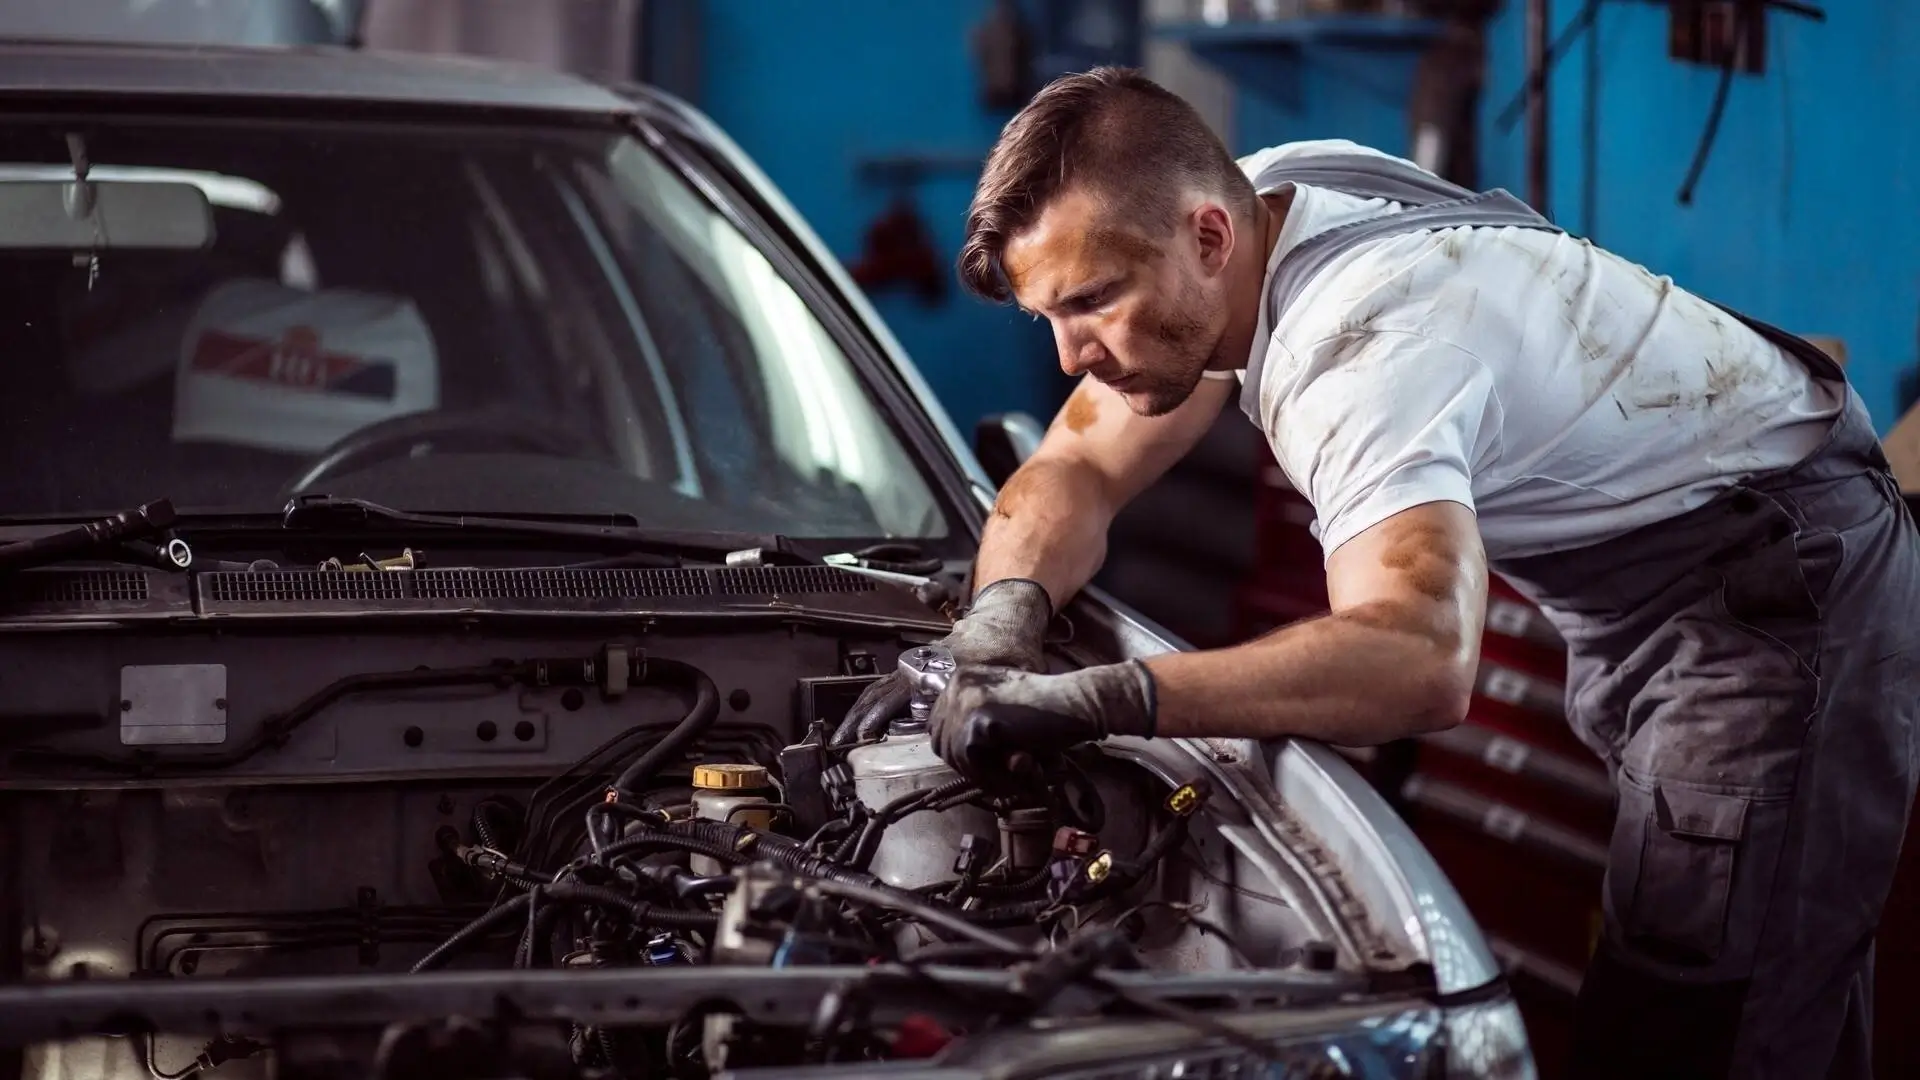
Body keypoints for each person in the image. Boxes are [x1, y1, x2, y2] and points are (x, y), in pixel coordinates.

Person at [841, 67, 1919, 1078]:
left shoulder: (1360, 354)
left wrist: (1107, 697)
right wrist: (1000, 620)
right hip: (1668, 557)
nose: (1072, 355)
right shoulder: (1268, 195)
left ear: (1207, 236)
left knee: (1702, 1012)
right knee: (1786, 976)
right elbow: (1074, 463)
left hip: (1776, 588)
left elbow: (1419, 655)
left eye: (1092, 303)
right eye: (1050, 318)